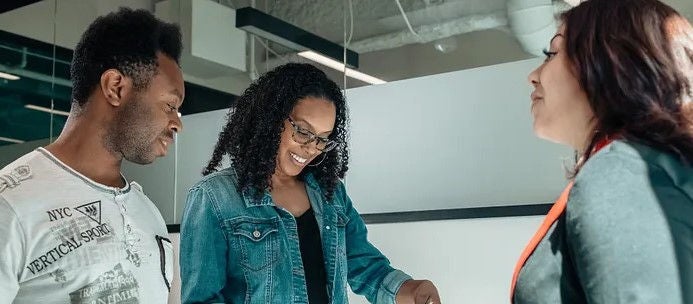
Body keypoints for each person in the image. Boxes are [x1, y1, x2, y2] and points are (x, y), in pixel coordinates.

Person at [180, 63, 440, 304]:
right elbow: (202, 299)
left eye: (323, 139)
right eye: (303, 131)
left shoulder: (331, 195)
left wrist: (413, 290)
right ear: (271, 119)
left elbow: (367, 269)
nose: (311, 148)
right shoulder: (214, 198)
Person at [511, 0, 693, 303]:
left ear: (610, 60)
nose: (532, 75)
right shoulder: (650, 168)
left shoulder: (618, 173)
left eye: (552, 53)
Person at [0, 8, 184, 303]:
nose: (177, 123)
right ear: (115, 88)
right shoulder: (11, 204)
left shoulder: (148, 214)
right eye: (170, 106)